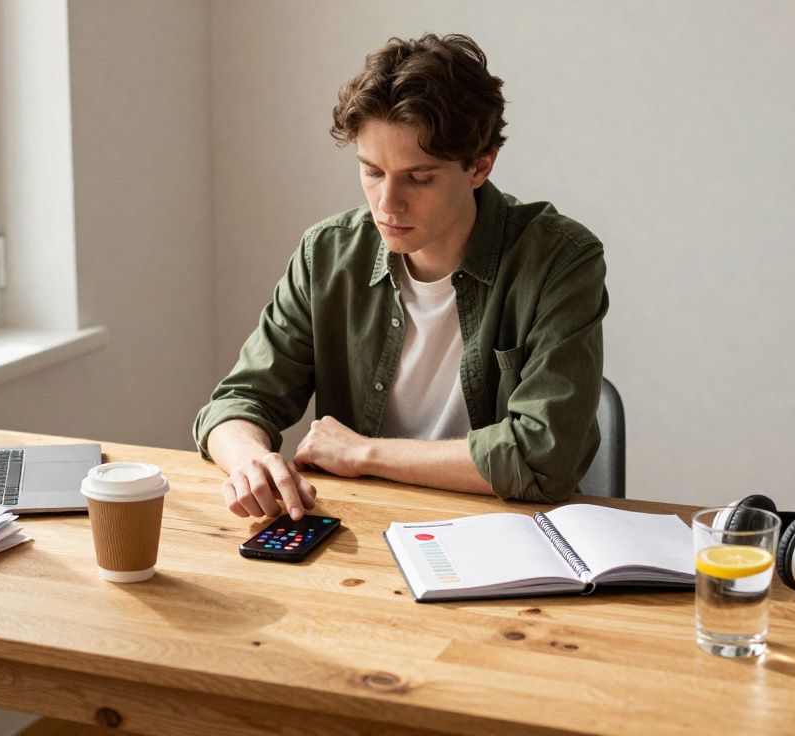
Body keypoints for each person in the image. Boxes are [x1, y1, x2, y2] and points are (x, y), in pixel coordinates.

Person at [193, 33, 608, 521]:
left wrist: (362, 453)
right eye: (372, 172)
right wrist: (249, 459)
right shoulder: (326, 254)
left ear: (480, 165)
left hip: (509, 530)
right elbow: (239, 401)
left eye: (419, 178)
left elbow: (543, 457)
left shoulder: (560, 260)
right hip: (363, 522)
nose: (387, 204)